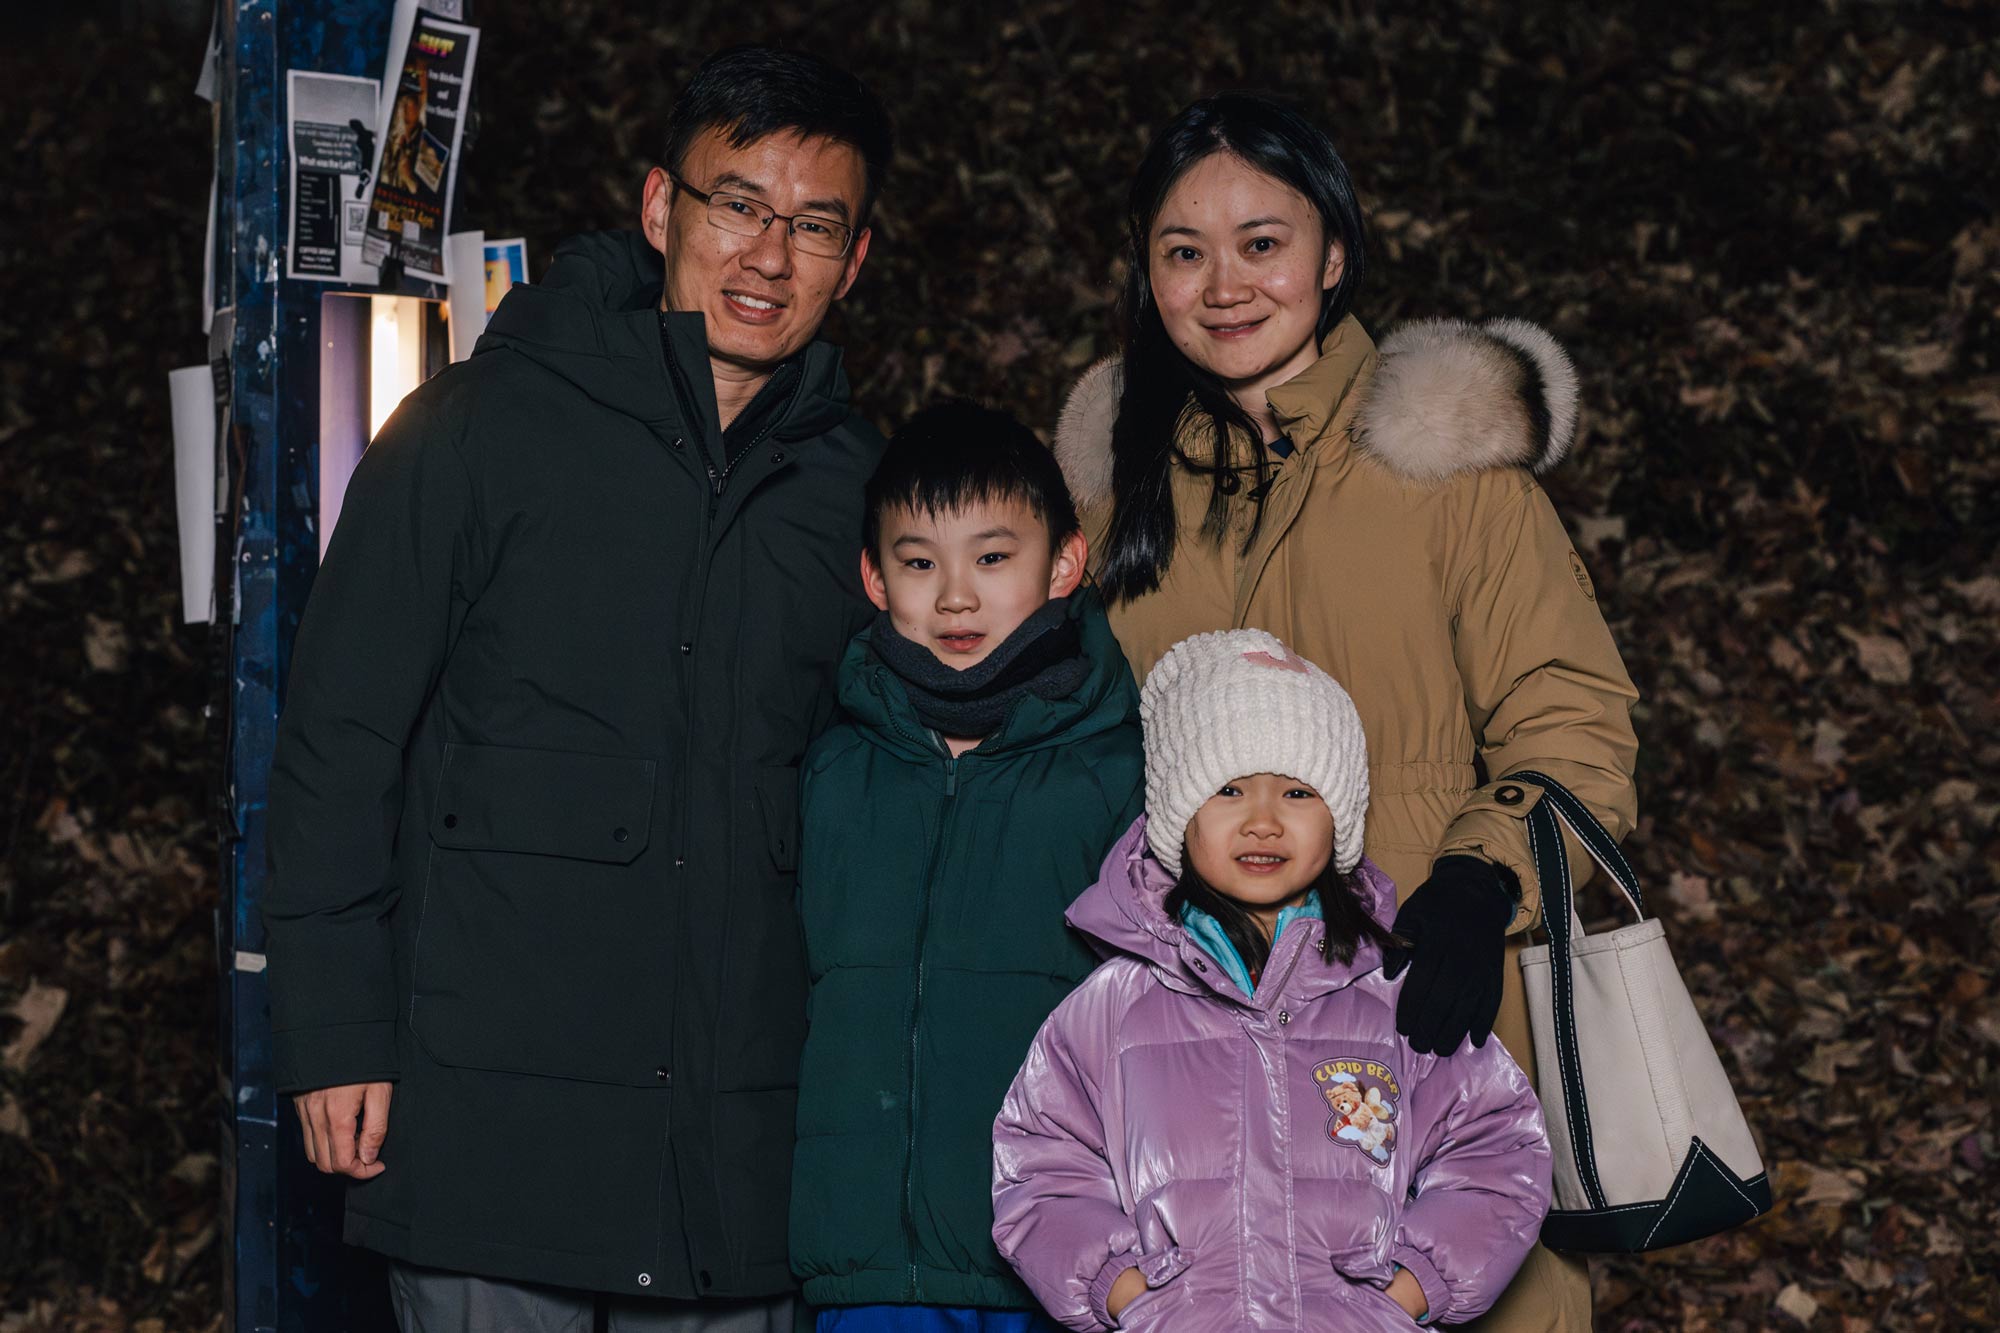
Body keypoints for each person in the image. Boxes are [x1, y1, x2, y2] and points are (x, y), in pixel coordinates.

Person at [262, 46, 892, 1331]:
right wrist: (332, 1032)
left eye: (813, 225)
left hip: (730, 1167)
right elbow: (339, 740)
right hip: (487, 1133)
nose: (768, 256)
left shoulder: (859, 493)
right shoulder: (474, 429)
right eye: (736, 205)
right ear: (662, 208)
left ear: (855, 260)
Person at [1052, 93, 1637, 1330]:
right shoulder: (1117, 499)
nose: (1222, 284)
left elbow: (1569, 718)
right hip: (1189, 1079)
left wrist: (1481, 884)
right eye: (1181, 250)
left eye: (1261, 242)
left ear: (1330, 253)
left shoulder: (1447, 470)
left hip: (1431, 1032)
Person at [992, 629, 1552, 1332]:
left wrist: (1410, 1288)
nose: (1262, 820)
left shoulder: (1395, 992)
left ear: (1338, 816)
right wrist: (1124, 1290)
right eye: (1227, 788)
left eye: (1296, 790)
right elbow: (1041, 1165)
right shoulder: (1113, 1008)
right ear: (1178, 817)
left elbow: (1498, 1148)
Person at [790, 402, 1145, 1332]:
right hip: (861, 1263)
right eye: (919, 562)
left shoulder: (1122, 771)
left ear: (1064, 562)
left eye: (992, 558)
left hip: (1057, 1263)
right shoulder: (833, 768)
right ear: (874, 576)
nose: (955, 596)